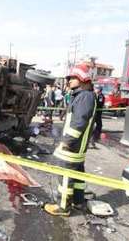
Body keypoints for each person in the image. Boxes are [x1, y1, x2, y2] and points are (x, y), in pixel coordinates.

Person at [44, 64, 96, 216]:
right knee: (78, 175)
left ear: (82, 79)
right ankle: (78, 202)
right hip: (78, 148)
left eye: (72, 78)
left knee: (65, 176)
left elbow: (79, 122)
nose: (69, 81)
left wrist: (67, 141)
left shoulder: (84, 96)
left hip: (72, 147)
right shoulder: (84, 96)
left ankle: (63, 207)